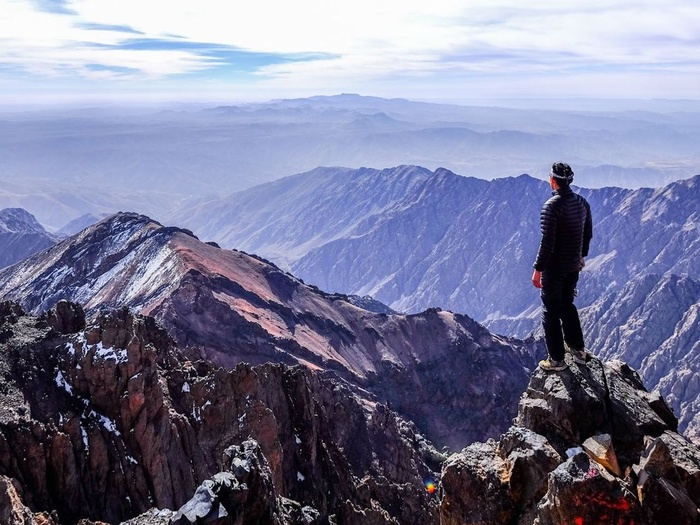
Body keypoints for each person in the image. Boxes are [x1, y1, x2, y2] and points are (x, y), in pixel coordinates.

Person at [531, 162, 592, 372]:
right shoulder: (582, 203)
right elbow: (587, 234)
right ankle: (578, 351)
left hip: (554, 268)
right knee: (567, 305)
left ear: (553, 180)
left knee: (550, 310)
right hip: (573, 266)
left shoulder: (551, 207)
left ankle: (556, 360)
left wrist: (538, 269)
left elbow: (547, 242)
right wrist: (581, 256)